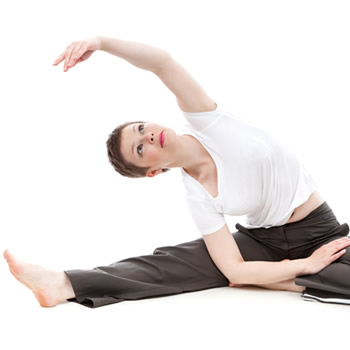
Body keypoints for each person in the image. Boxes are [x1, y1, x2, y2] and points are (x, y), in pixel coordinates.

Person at [3, 36, 350, 308]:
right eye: (141, 149)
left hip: (318, 230)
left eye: (141, 128)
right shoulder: (198, 196)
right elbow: (234, 270)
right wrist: (302, 266)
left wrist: (100, 42)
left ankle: (284, 280)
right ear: (153, 171)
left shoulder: (207, 120)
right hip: (263, 241)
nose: (148, 136)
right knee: (174, 262)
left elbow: (161, 62)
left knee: (337, 273)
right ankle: (63, 283)